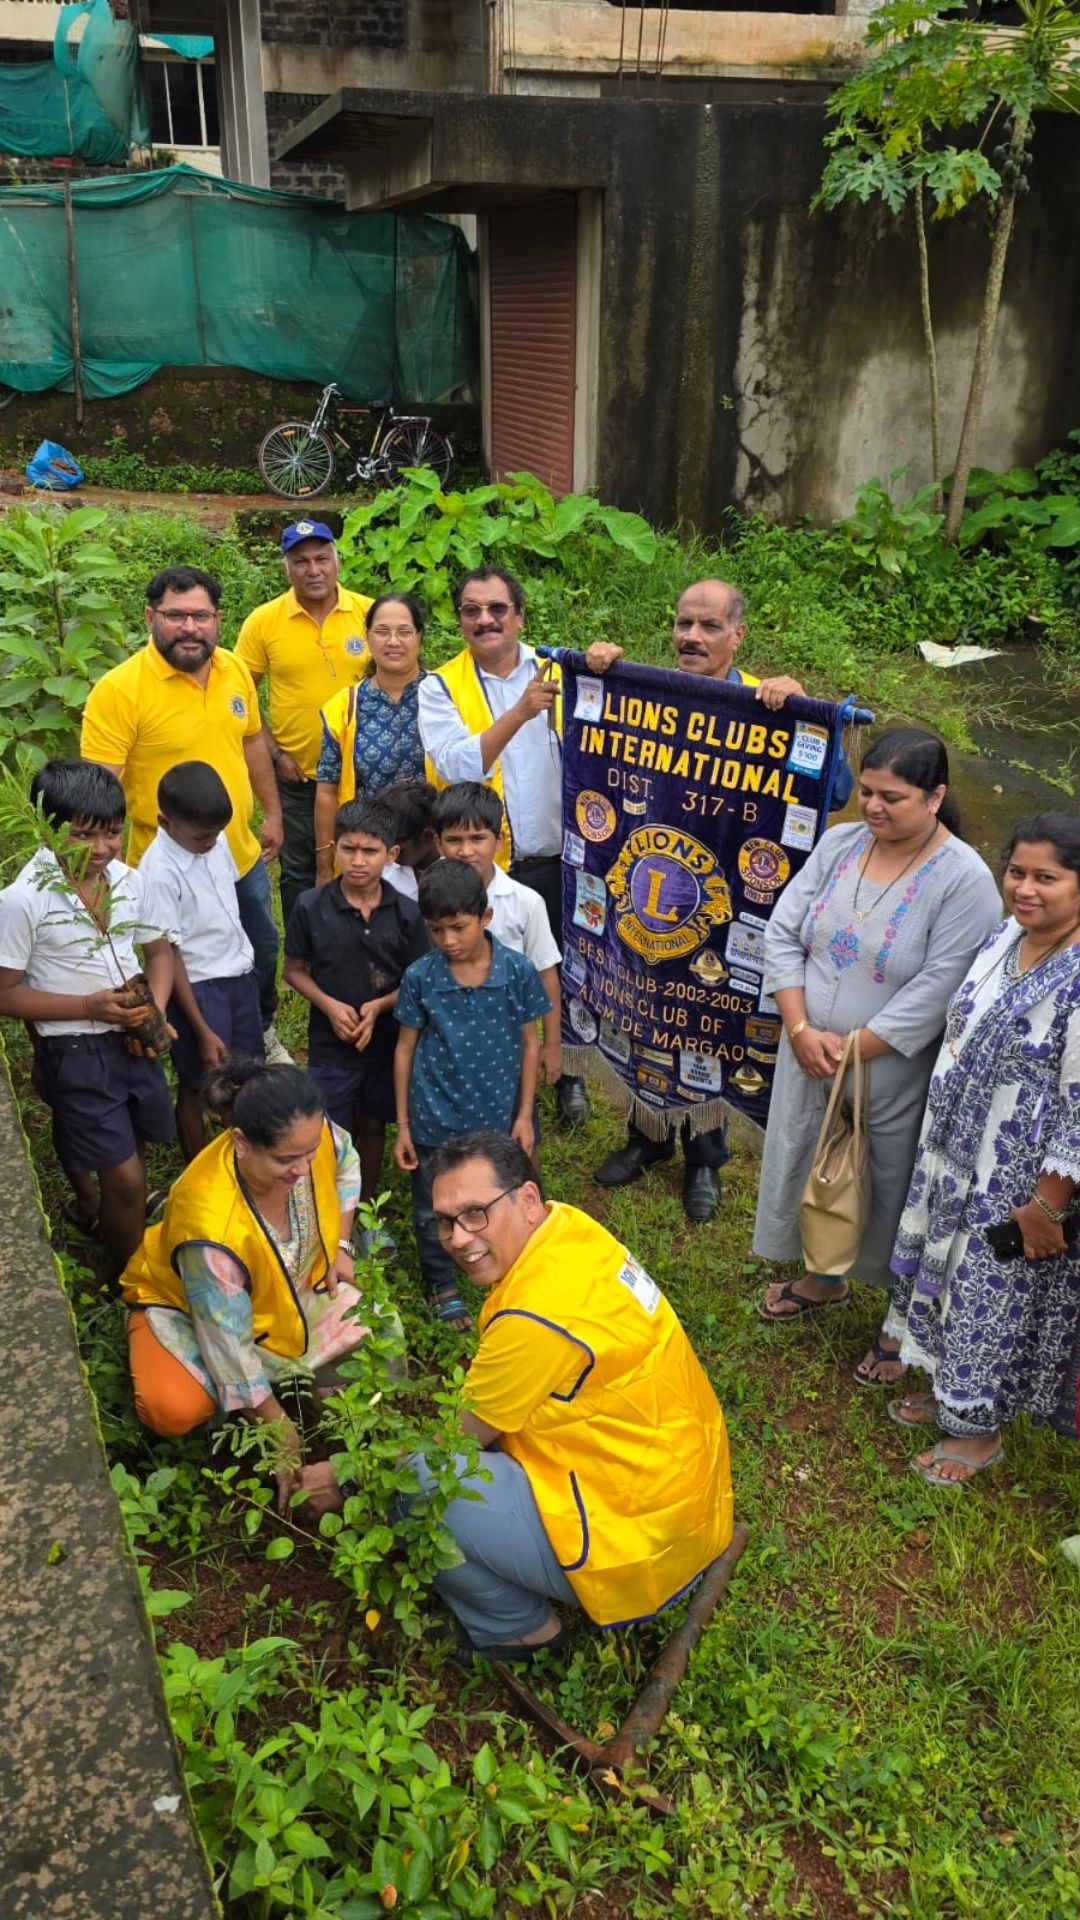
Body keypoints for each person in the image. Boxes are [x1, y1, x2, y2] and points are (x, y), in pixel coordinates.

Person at [590, 576, 856, 1222]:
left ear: (738, 635)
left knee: (710, 1016)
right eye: (684, 624)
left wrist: (804, 713)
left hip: (727, 907)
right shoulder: (650, 695)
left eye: (710, 627)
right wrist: (601, 668)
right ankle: (646, 1137)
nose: (692, 638)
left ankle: (704, 1159)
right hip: (650, 892)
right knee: (648, 1008)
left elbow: (840, 789)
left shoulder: (763, 705)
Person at [409, 1132, 733, 1658]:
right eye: (445, 1221)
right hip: (687, 1502)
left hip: (639, 1540)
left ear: (528, 1200)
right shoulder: (570, 1229)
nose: (458, 1237)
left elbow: (457, 1439)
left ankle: (517, 1630)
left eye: (475, 1213)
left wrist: (353, 1474)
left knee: (421, 1482)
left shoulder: (533, 1318)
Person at [752, 729, 1001, 1386]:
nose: (872, 807)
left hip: (892, 1071)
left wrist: (848, 1048)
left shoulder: (965, 880)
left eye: (893, 797)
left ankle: (897, 1325)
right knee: (813, 1159)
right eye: (865, 791)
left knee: (890, 1183)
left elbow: (941, 986)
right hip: (810, 1055)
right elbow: (782, 933)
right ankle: (824, 1276)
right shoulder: (839, 845)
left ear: (936, 796)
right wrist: (801, 1027)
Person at [885, 814, 1080, 1486]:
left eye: (1046, 878)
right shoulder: (1006, 938)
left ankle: (978, 1431)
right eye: (1017, 872)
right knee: (950, 1280)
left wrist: (1047, 1210)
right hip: (955, 1158)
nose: (1025, 888)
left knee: (991, 1296)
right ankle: (948, 1392)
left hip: (1017, 1185)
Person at [121, 1060, 373, 1511]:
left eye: (309, 1152)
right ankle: (243, 1404)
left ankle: (295, 1386)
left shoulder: (310, 1137)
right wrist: (280, 1429)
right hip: (191, 1303)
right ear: (240, 1142)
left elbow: (346, 1161)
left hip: (283, 1288)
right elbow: (226, 1342)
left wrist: (339, 1246)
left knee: (376, 1328)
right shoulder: (210, 1228)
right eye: (285, 1160)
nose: (303, 1167)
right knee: (173, 1406)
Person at [80, 564, 289, 1063]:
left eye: (201, 615)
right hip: (165, 871)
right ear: (150, 616)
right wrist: (93, 867)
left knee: (257, 951)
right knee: (177, 963)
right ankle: (185, 1051)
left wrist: (273, 813)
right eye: (176, 615)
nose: (190, 627)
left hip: (237, 853)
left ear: (218, 618)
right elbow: (98, 789)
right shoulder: (120, 690)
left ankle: (259, 1031)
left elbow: (253, 741)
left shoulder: (234, 668)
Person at [418, 566, 602, 1127]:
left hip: (563, 858)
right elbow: (456, 765)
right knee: (496, 970)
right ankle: (498, 1074)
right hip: (485, 865)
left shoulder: (560, 671)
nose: (485, 619)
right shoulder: (439, 685)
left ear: (519, 615)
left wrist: (602, 660)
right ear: (460, 622)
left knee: (568, 966)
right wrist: (520, 711)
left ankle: (569, 1068)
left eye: (497, 608)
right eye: (472, 610)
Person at [0, 760, 176, 1272]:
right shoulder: (23, 899)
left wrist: (155, 1010)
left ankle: (111, 1216)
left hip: (129, 1039)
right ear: (47, 828)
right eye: (83, 835)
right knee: (125, 1180)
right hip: (74, 1047)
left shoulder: (127, 882)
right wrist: (87, 1006)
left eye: (113, 834)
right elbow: (6, 992)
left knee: (135, 1142)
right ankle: (131, 1280)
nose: (101, 851)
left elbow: (159, 952)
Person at [393, 860, 551, 1329]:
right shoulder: (421, 976)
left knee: (499, 1194)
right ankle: (442, 1283)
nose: (448, 941)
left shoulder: (517, 971)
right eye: (436, 930)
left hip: (500, 1118)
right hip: (434, 1119)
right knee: (431, 1206)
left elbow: (529, 1043)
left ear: (485, 917)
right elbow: (404, 1050)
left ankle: (519, 1267)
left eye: (458, 927)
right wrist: (402, 1125)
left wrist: (524, 1116)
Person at [283, 796, 428, 1209]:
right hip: (331, 1045)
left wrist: (381, 1005)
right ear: (333, 849)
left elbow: (419, 981)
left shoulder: (406, 913)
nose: (358, 861)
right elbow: (293, 970)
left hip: (386, 1043)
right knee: (328, 1131)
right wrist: (329, 1005)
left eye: (371, 851)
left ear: (392, 854)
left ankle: (365, 1209)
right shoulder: (311, 907)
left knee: (373, 1126)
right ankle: (326, 1209)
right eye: (348, 849)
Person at [236, 522, 373, 929]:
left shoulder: (370, 612)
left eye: (321, 559)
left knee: (365, 857)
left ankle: (362, 934)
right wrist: (275, 752)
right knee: (299, 867)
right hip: (297, 776)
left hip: (362, 772)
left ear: (336, 561)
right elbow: (239, 697)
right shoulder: (264, 622)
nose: (313, 570)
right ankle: (305, 946)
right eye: (301, 562)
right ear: (286, 569)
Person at [138, 761, 264, 1162]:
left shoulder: (215, 839)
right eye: (201, 837)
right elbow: (168, 953)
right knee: (199, 1082)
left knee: (245, 1074)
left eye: (216, 834)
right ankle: (198, 1165)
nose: (211, 842)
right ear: (165, 822)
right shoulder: (158, 873)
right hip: (197, 989)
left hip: (237, 974)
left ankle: (241, 1154)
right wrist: (202, 1028)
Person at [434, 780, 563, 1101]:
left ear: (499, 840)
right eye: (454, 840)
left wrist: (552, 1044)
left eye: (477, 838)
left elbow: (546, 973)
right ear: (437, 843)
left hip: (510, 1038)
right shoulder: (422, 894)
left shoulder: (525, 902)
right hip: (444, 1038)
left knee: (515, 1128)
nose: (465, 851)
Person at [313, 594, 428, 886]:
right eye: (382, 631)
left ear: (419, 637)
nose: (393, 641)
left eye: (404, 632)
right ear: (367, 637)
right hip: (370, 856)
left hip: (432, 853)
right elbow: (327, 790)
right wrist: (325, 866)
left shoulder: (445, 696)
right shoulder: (345, 707)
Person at [379, 779, 440, 901]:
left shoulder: (458, 873)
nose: (391, 856)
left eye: (400, 850)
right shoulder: (386, 873)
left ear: (427, 837)